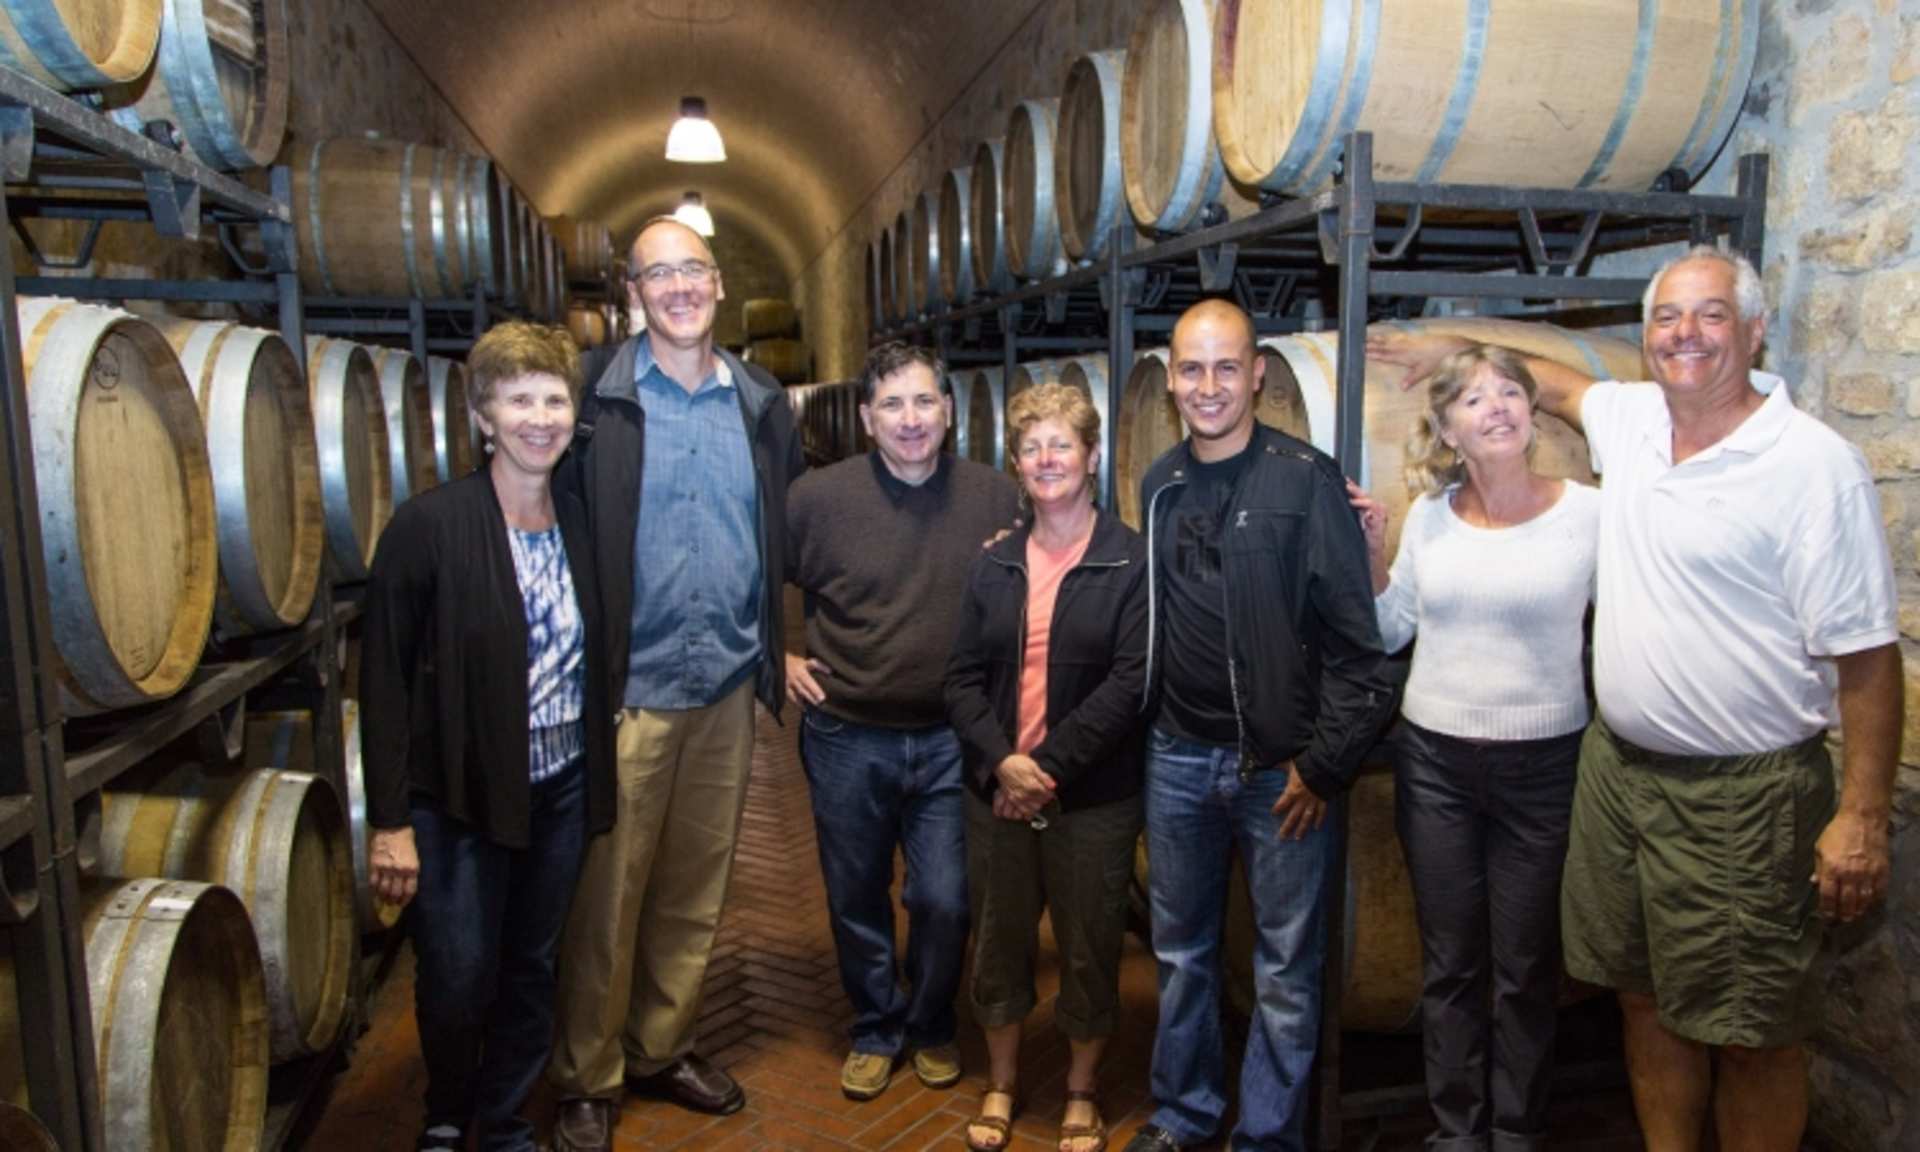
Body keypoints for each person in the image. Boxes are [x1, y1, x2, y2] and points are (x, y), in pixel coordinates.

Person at [1371, 246, 1901, 1152]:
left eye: (1710, 315)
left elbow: (1868, 654)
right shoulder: (1632, 422)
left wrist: (1863, 814)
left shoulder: (1808, 465)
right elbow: (1548, 378)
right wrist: (1435, 345)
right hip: (1613, 774)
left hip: (1738, 787)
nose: (1684, 335)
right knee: (1641, 994)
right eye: (1665, 318)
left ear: (1755, 328)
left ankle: (1525, 1128)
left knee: (1751, 1027)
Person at [548, 217, 804, 1152]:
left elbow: (788, 525)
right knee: (607, 890)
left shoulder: (762, 403)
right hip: (628, 685)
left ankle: (662, 1044)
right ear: (632, 293)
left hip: (728, 681)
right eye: (658, 273)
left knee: (696, 885)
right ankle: (586, 1070)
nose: (679, 287)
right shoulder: (592, 397)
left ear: (719, 284)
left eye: (693, 268)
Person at [1125, 299, 1395, 1152]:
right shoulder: (1159, 481)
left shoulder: (1305, 479)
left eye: (1226, 367)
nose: (1209, 387)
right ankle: (1183, 1113)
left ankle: (1268, 1139)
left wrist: (1320, 766)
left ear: (1257, 376)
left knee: (1284, 970)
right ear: (1171, 380)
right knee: (1182, 955)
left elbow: (1363, 654)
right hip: (1175, 757)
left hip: (1279, 773)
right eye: (1193, 369)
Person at [361, 321, 614, 1152]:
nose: (538, 417)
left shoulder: (577, 521)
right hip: (460, 794)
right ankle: (447, 1109)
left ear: (572, 413)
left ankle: (504, 1121)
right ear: (482, 416)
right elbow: (385, 682)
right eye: (517, 400)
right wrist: (391, 822)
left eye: (553, 398)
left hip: (562, 781)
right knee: (459, 970)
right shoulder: (428, 527)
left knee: (531, 965)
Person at [1346, 345, 1600, 1152]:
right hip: (1438, 766)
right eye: (1473, 399)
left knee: (1524, 968)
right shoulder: (1430, 516)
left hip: (1546, 766)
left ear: (1532, 413)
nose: (1496, 406)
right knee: (1451, 962)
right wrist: (1376, 556)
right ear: (1448, 430)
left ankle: (1516, 1131)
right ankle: (1458, 1131)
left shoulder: (1589, 514)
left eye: (1509, 392)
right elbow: (1392, 633)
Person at [783, 341, 1020, 1101]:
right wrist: (782, 653)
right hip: (848, 732)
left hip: (954, 739)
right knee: (856, 893)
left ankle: (930, 1020)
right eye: (892, 404)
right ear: (865, 418)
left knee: (946, 897)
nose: (910, 419)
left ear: (949, 413)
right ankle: (878, 1027)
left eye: (924, 402)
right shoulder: (817, 497)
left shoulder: (995, 496)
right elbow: (773, 580)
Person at [944, 382, 1149, 1152]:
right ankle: (999, 1082)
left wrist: (1044, 769)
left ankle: (1081, 1089)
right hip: (995, 788)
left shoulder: (1129, 560)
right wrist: (1003, 763)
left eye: (1062, 444)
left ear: (1092, 456)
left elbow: (1131, 683)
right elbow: (959, 679)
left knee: (1092, 943)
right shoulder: (993, 564)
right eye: (1031, 447)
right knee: (998, 938)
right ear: (1017, 464)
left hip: (1090, 796)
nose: (1046, 458)